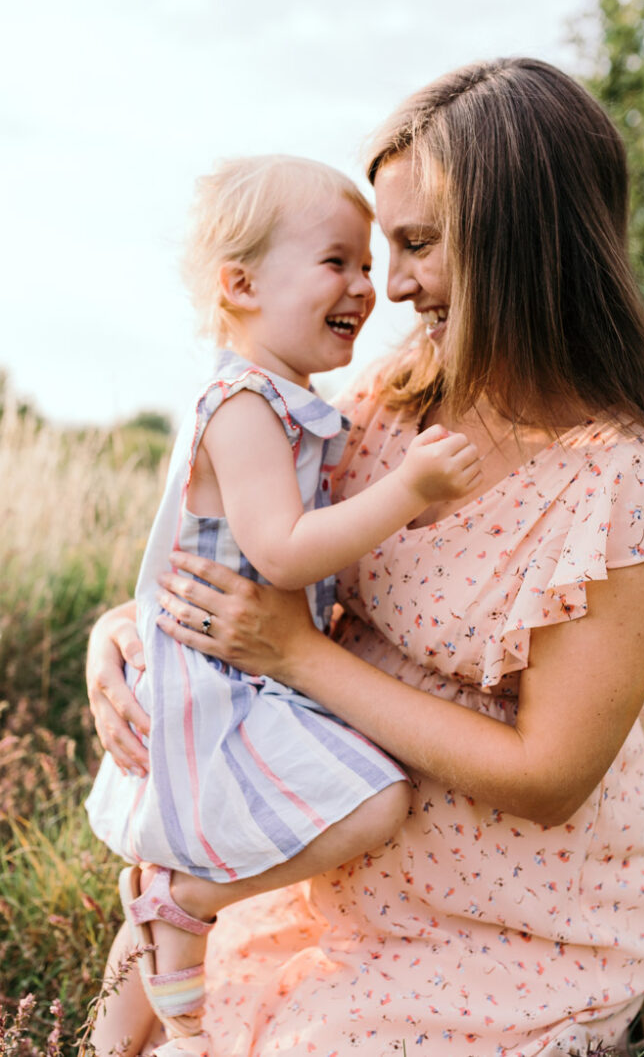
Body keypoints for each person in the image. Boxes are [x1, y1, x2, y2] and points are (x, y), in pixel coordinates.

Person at [86, 59, 644, 1057]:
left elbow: (549, 774)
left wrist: (297, 656)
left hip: (512, 933)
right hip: (323, 876)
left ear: (522, 239)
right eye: (385, 247)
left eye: (418, 244)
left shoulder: (630, 484)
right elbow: (255, 544)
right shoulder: (385, 401)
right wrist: (123, 630)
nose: (394, 285)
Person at [84, 155, 480, 1045]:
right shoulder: (244, 404)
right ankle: (183, 903)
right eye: (336, 261)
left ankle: (123, 1018)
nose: (367, 286)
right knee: (375, 802)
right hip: (224, 676)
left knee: (229, 842)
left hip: (244, 660)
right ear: (241, 285)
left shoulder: (287, 400)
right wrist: (409, 488)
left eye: (369, 264)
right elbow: (284, 553)